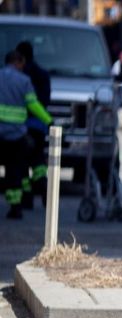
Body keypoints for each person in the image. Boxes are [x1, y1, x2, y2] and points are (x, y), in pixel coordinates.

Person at [0, 50, 52, 219]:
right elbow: (33, 105)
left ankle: (16, 204)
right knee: (14, 170)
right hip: (17, 135)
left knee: (10, 170)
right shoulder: (24, 80)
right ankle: (16, 206)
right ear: (19, 62)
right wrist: (48, 120)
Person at [16, 41, 50, 210]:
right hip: (39, 125)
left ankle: (27, 197)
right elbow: (45, 101)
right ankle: (44, 191)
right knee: (38, 161)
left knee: (21, 162)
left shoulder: (20, 75)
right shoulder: (43, 74)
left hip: (21, 125)